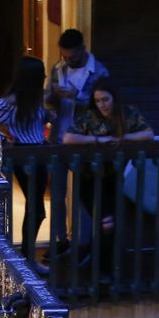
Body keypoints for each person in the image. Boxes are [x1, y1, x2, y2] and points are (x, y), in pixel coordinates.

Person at [61, 78, 154, 273]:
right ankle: (99, 263)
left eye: (105, 99)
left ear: (114, 98)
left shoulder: (127, 114)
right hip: (88, 176)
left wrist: (123, 137)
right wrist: (96, 140)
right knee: (104, 220)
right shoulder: (90, 116)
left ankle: (102, 264)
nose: (102, 105)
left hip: (112, 176)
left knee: (107, 222)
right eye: (98, 101)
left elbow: (148, 134)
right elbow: (68, 137)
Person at [43, 29, 107, 256]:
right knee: (56, 195)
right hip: (58, 139)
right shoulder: (57, 68)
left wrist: (75, 96)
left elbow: (102, 107)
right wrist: (52, 95)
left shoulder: (99, 71)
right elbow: (47, 103)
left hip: (83, 141)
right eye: (65, 56)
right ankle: (60, 240)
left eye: (72, 57)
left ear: (82, 49)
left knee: (82, 195)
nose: (68, 61)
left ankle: (83, 243)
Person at [0, 57, 53, 258]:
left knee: (35, 208)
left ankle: (27, 256)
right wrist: (4, 140)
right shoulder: (11, 102)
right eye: (40, 75)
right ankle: (27, 257)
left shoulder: (34, 99)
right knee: (36, 209)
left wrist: (47, 117)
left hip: (38, 153)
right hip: (25, 156)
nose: (44, 77)